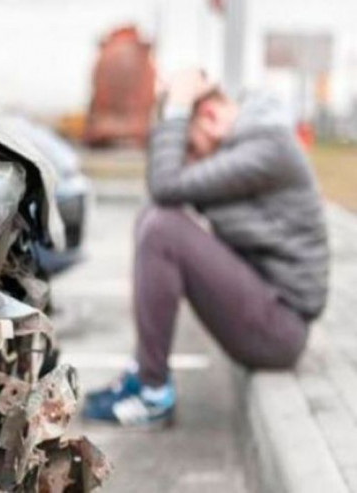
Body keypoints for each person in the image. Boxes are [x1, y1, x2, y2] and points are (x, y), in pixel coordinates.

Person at [82, 70, 330, 428]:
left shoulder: (267, 147)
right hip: (267, 309)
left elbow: (166, 184)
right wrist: (175, 113)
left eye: (192, 150)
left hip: (280, 328)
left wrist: (177, 109)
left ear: (210, 117)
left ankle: (152, 393)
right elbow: (164, 190)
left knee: (163, 227)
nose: (192, 163)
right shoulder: (256, 139)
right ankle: (144, 373)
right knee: (155, 217)